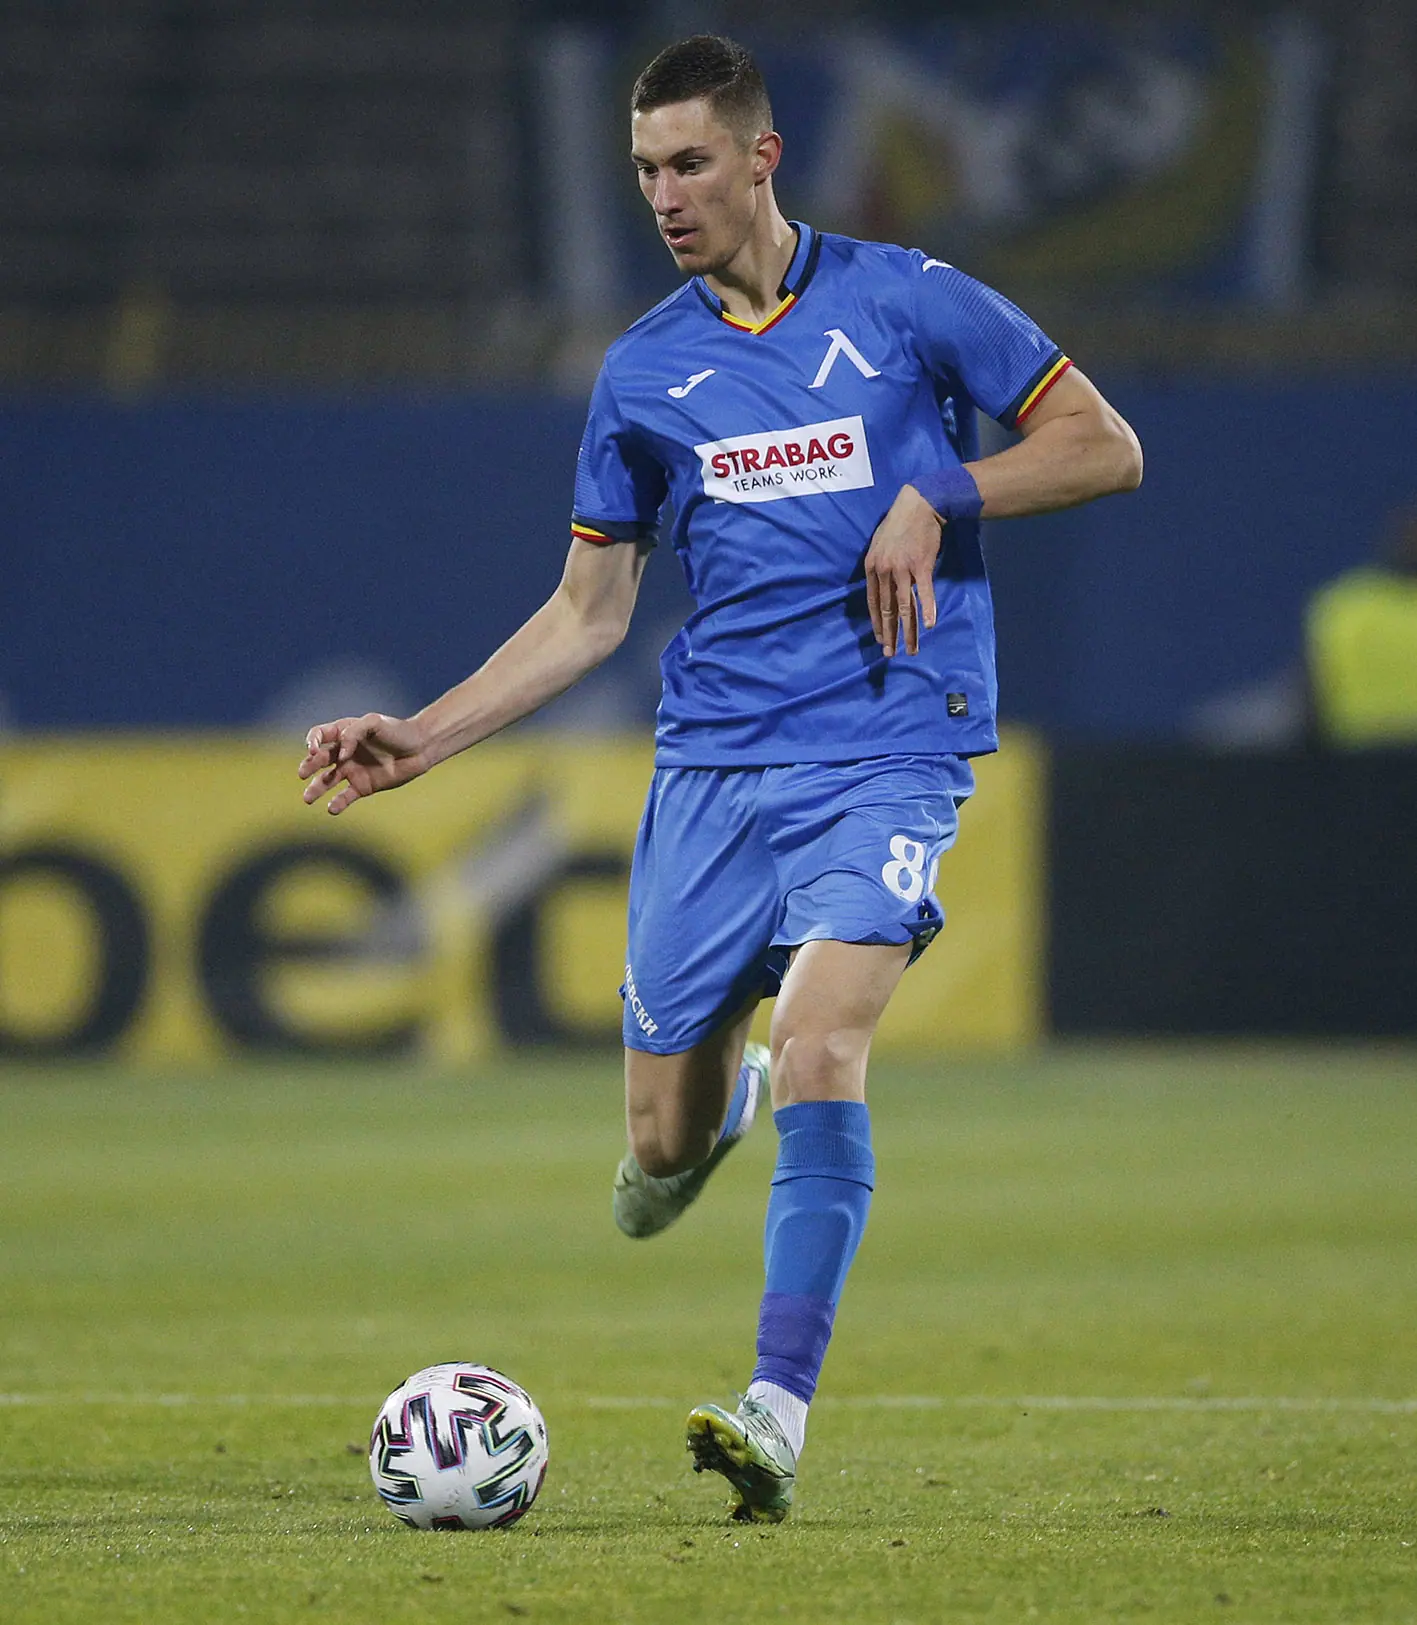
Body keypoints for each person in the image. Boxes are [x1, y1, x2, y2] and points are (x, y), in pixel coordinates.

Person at [298, 35, 1142, 1524]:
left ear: (762, 157)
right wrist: (421, 737)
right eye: (644, 171)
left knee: (825, 1043)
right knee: (660, 1149)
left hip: (887, 751)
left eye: (689, 162)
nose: (665, 195)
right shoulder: (643, 373)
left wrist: (939, 490)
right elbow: (588, 614)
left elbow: (1103, 446)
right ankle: (719, 1099)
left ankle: (776, 1409)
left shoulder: (910, 300)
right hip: (713, 774)